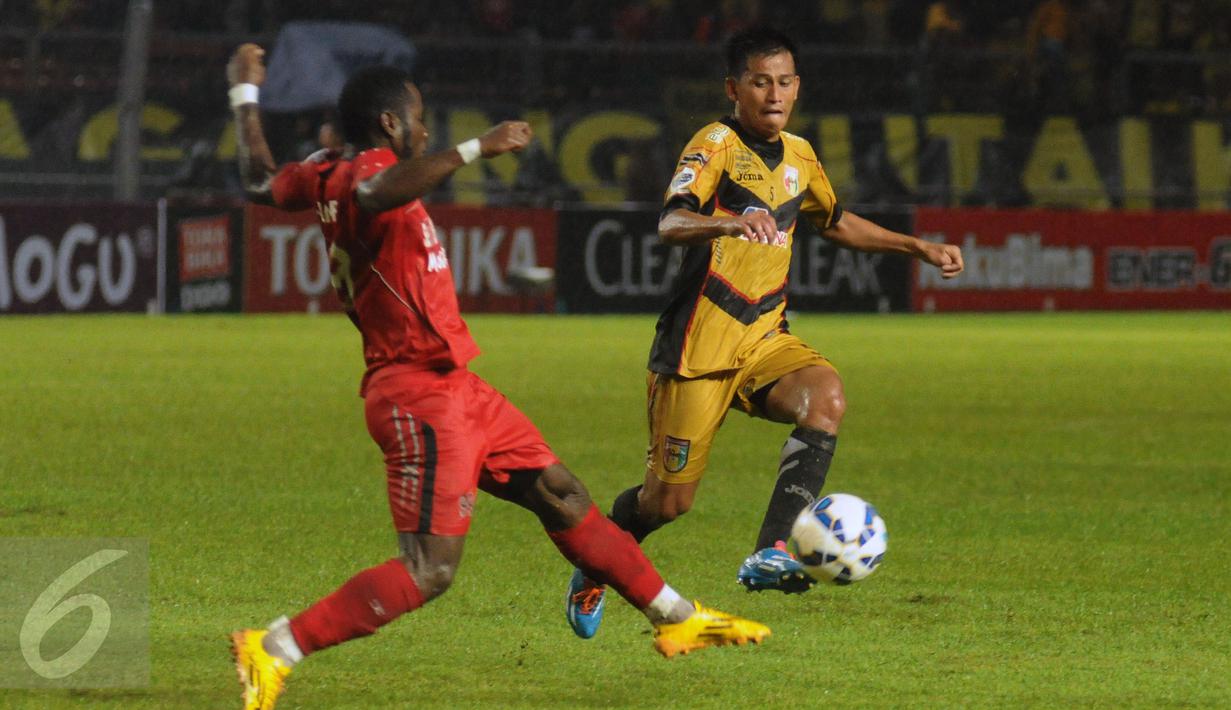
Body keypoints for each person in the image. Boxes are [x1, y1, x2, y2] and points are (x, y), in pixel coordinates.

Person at [223, 44, 770, 710]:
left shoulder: (324, 174)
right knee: (428, 570)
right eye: (419, 119)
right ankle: (274, 647)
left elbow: (259, 181)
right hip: (418, 394)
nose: (426, 131)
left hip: (456, 386)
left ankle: (676, 615)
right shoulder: (369, 170)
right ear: (393, 126)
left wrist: (243, 97)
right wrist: (478, 147)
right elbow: (374, 191)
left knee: (562, 493)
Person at [564, 27, 963, 638]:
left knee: (825, 397)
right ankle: (597, 561)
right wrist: (728, 222)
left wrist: (919, 247)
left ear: (797, 87)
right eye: (759, 82)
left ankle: (772, 547)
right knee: (666, 504)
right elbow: (671, 221)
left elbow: (833, 221)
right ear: (734, 89)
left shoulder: (800, 155)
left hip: (764, 337)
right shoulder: (715, 144)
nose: (773, 94)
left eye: (783, 82)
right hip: (697, 351)